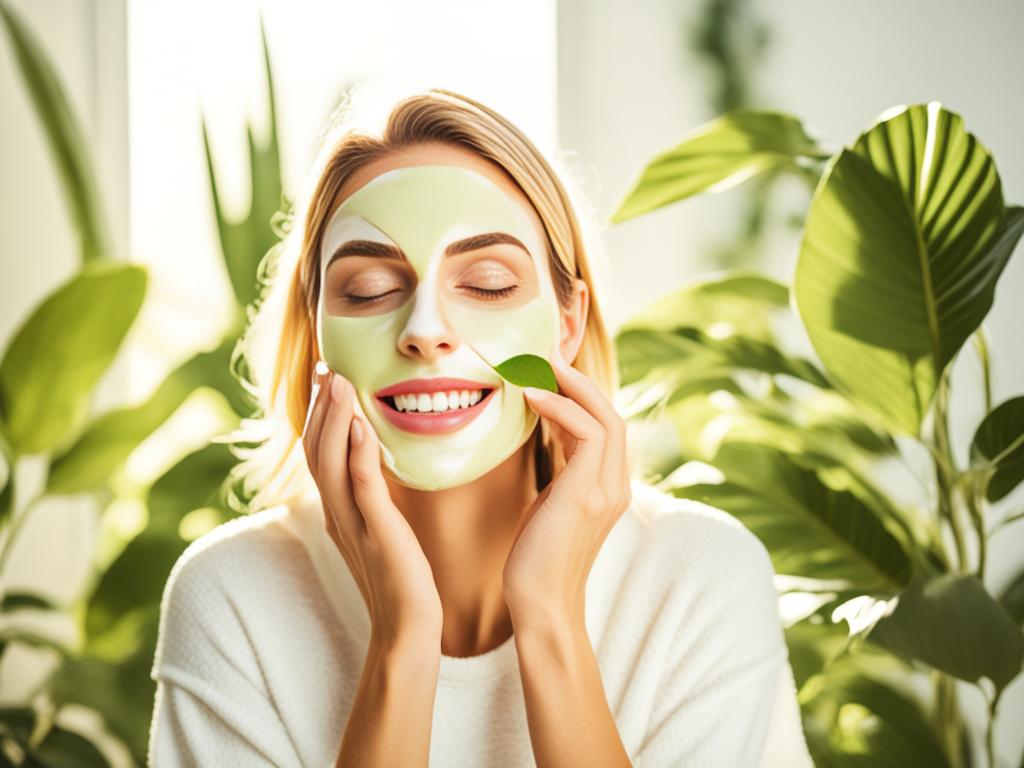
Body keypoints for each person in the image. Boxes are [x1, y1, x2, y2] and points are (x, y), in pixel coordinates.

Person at [147, 83, 813, 767]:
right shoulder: (233, 598)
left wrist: (551, 619)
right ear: (317, 336)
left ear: (568, 321)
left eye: (489, 282)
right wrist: (401, 643)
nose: (427, 330)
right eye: (368, 290)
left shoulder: (697, 581)